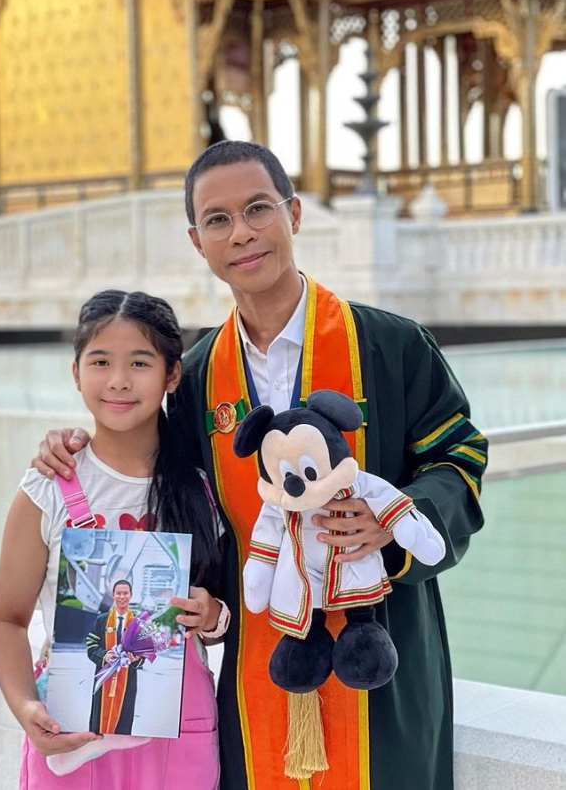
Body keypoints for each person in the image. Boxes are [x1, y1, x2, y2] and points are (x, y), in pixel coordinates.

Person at [33, 141, 489, 790]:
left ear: (293, 214)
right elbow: (155, 479)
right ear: (197, 242)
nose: (241, 233)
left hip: (383, 650)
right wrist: (73, 447)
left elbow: (459, 457)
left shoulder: (390, 346)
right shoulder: (196, 379)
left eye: (257, 209)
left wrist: (394, 524)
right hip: (259, 657)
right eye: (217, 220)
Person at [0, 289, 225, 790]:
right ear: (76, 373)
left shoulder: (203, 490)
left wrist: (211, 615)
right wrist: (26, 706)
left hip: (179, 730)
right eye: (100, 362)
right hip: (71, 734)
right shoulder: (48, 488)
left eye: (139, 362)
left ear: (172, 374)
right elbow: (7, 620)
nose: (118, 380)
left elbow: (229, 612)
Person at [86, 579, 144, 736]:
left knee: (124, 718)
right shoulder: (101, 620)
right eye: (119, 593)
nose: (122, 597)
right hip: (104, 676)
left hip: (127, 679)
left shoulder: (137, 623)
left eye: (125, 593)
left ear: (131, 595)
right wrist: (104, 655)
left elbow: (143, 651)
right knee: (99, 719)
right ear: (113, 595)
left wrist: (136, 659)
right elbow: (91, 645)